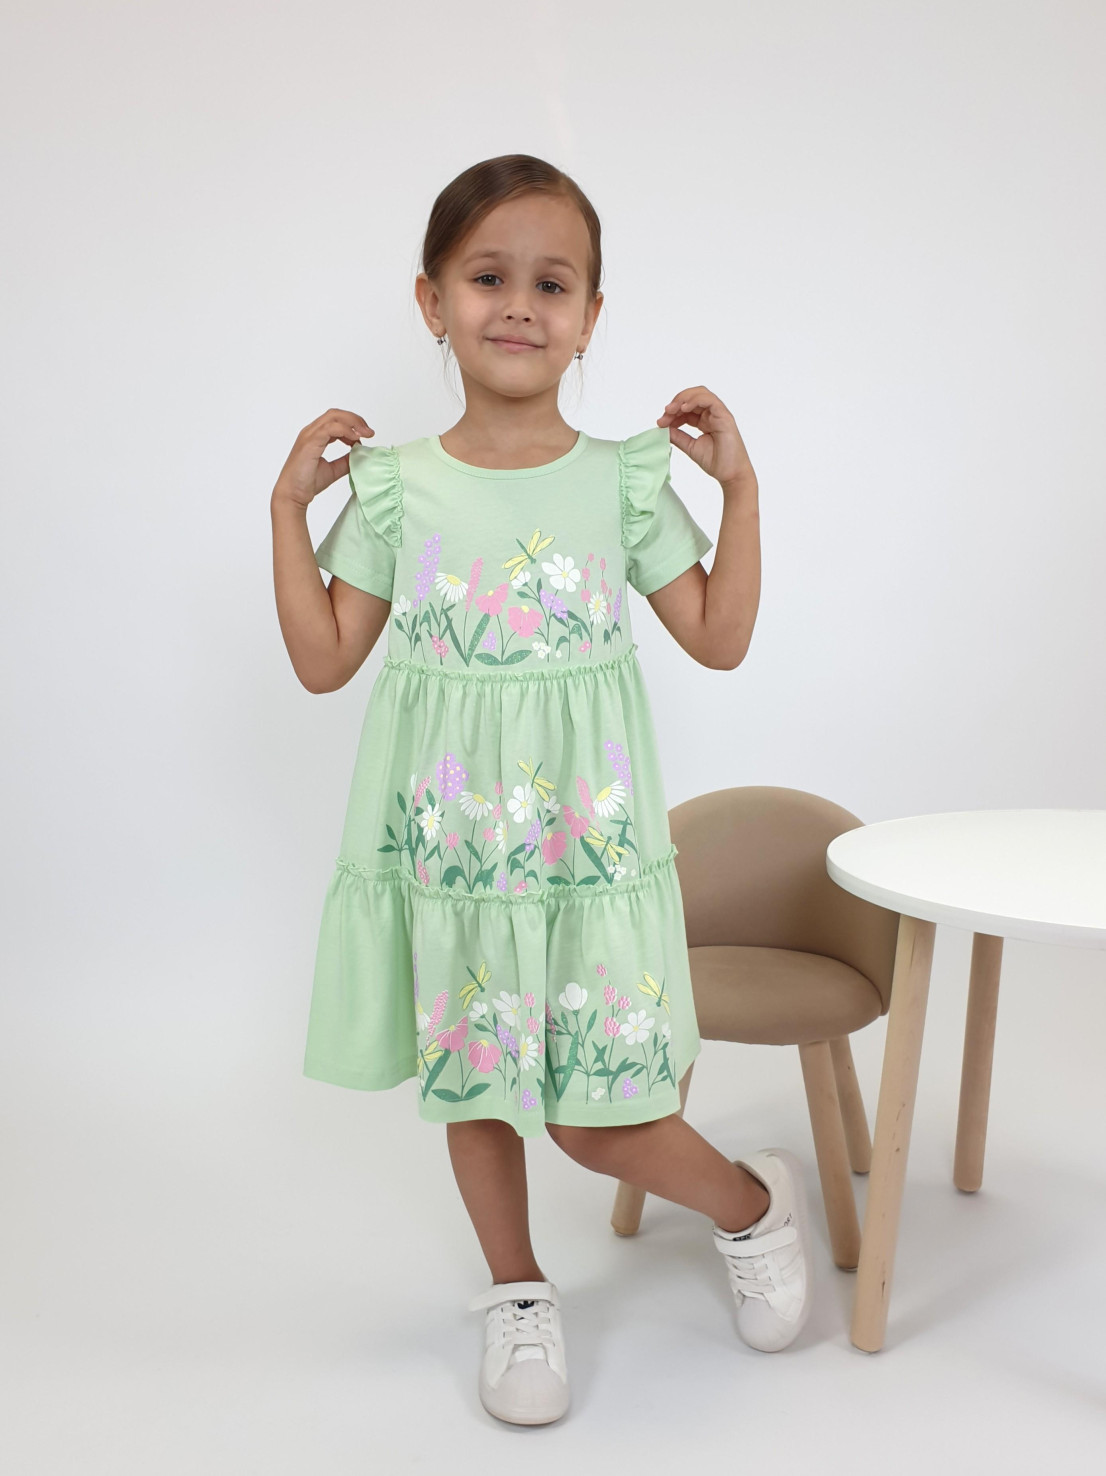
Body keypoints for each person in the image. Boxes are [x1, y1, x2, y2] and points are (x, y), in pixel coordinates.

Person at [271, 153, 812, 1427]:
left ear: (588, 317)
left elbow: (718, 636)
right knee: (472, 1088)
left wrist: (737, 490)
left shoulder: (621, 479)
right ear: (431, 300)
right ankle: (517, 1290)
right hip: (459, 855)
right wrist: (286, 512)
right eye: (487, 277)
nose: (518, 304)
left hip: (586, 855)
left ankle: (750, 1204)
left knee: (592, 1118)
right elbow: (323, 659)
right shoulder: (395, 490)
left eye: (551, 284)